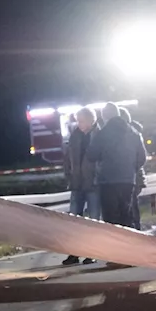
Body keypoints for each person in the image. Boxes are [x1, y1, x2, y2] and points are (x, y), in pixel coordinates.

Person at [87, 103, 148, 232]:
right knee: (126, 215)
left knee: (111, 219)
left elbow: (91, 155)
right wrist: (131, 169)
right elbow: (142, 157)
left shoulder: (103, 134)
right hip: (128, 181)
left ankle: (115, 248)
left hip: (107, 181)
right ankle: (129, 246)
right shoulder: (133, 132)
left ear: (104, 116)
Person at [62, 107, 101, 265]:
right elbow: (67, 158)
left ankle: (91, 252)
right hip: (77, 183)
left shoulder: (99, 136)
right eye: (77, 120)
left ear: (92, 120)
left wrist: (99, 177)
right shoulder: (74, 136)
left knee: (93, 221)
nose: (79, 124)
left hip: (93, 184)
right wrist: (69, 175)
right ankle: (74, 253)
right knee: (74, 221)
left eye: (81, 120)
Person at [119, 107, 148, 229]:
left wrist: (130, 169)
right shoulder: (134, 132)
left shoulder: (131, 133)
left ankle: (136, 230)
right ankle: (134, 229)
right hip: (134, 176)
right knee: (131, 206)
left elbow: (141, 157)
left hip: (133, 177)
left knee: (132, 206)